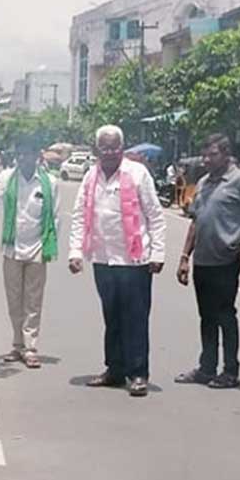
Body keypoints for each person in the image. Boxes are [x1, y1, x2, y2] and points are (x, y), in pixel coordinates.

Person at [67, 125, 167, 397]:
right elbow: (79, 215)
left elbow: (155, 215)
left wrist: (158, 253)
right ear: (96, 149)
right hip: (103, 258)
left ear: (122, 148)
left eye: (114, 147)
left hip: (135, 260)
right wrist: (75, 252)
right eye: (104, 147)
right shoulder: (90, 176)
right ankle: (114, 369)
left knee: (135, 318)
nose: (109, 152)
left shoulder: (137, 173)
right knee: (111, 317)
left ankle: (138, 373)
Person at [176, 133, 240, 389]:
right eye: (204, 155)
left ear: (226, 154)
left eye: (212, 155)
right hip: (202, 260)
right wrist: (184, 257)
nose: (206, 160)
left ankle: (230, 371)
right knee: (207, 316)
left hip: (226, 260)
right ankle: (206, 367)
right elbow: (195, 221)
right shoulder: (203, 182)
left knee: (226, 315)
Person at [0, 142, 61, 369]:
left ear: (37, 155)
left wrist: (48, 246)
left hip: (37, 249)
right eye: (21, 153)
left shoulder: (50, 183)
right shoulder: (6, 178)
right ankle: (17, 345)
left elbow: (55, 218)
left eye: (29, 152)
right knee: (14, 299)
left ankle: (31, 347)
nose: (25, 157)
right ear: (17, 156)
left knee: (33, 301)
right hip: (12, 248)